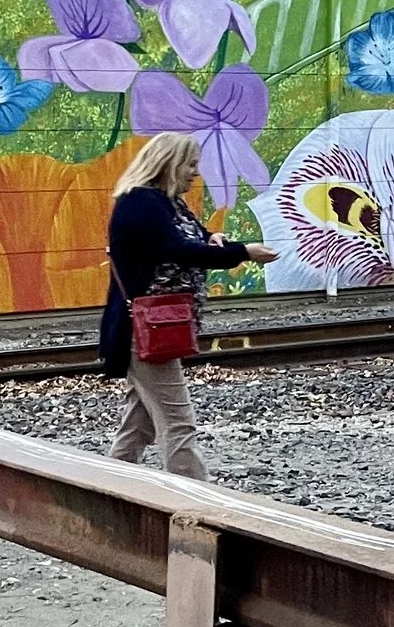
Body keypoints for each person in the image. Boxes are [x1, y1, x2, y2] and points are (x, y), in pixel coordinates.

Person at [101, 132, 277, 480]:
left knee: (139, 425)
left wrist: (215, 238)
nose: (196, 173)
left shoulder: (167, 203)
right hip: (146, 331)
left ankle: (108, 485)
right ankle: (197, 500)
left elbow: (192, 239)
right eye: (191, 164)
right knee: (179, 424)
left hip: (160, 328)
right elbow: (176, 250)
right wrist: (243, 252)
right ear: (169, 164)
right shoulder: (142, 203)